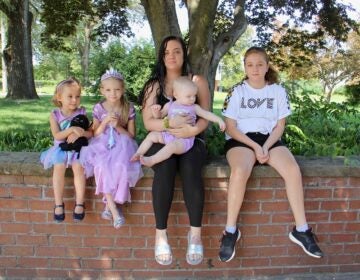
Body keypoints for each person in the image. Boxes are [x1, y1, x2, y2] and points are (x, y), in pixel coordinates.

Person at [219, 46, 324, 262]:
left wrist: (265, 146)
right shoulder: (237, 91)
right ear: (245, 68)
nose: (255, 69)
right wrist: (255, 147)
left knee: (293, 170)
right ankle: (230, 231)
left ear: (267, 66)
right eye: (250, 65)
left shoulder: (277, 91)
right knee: (240, 170)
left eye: (259, 64)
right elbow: (230, 127)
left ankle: (302, 230)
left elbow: (280, 125)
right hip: (241, 139)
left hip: (270, 139)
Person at [138, 35, 210, 266]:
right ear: (162, 56)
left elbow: (205, 118)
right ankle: (160, 235)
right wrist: (170, 124)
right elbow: (149, 123)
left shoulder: (196, 81)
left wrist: (191, 131)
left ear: (183, 54)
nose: (172, 55)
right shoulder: (154, 86)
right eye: (167, 52)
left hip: (192, 140)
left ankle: (195, 234)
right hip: (165, 137)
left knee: (189, 168)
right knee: (165, 167)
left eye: (177, 51)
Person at [80, 69, 143, 229]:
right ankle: (114, 210)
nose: (113, 93)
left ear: (123, 90)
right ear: (102, 90)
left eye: (117, 89)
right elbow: (95, 133)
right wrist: (104, 122)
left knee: (121, 166)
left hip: (122, 143)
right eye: (108, 90)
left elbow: (131, 135)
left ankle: (109, 205)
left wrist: (117, 126)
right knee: (101, 167)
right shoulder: (99, 108)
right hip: (102, 143)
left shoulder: (128, 108)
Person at [132, 76, 225, 167]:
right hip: (168, 135)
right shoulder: (170, 105)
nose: (192, 99)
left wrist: (219, 120)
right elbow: (160, 116)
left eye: (194, 96)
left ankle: (152, 160)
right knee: (152, 135)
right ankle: (138, 153)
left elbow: (206, 114)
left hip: (183, 140)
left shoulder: (194, 107)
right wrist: (155, 111)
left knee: (171, 147)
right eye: (188, 96)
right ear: (176, 95)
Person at [40, 77, 92, 223]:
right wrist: (72, 130)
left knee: (78, 167)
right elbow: (57, 135)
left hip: (77, 149)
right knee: (59, 166)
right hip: (60, 149)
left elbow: (89, 133)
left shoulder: (81, 112)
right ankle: (58, 203)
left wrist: (81, 133)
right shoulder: (55, 115)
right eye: (70, 96)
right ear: (59, 97)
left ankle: (80, 202)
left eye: (77, 96)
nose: (74, 100)